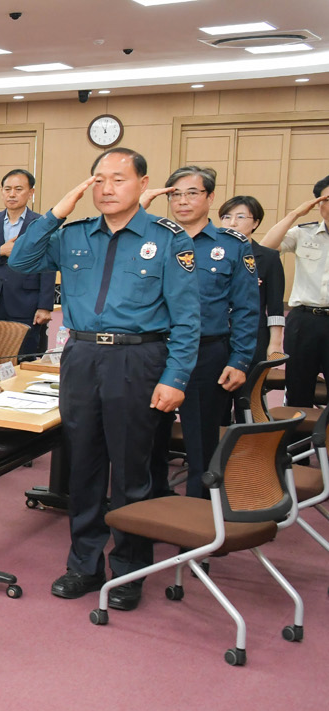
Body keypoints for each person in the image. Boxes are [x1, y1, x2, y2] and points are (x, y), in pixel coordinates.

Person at [9, 149, 199, 608]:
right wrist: (57, 210)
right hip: (81, 357)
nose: (108, 188)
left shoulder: (167, 238)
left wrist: (176, 377)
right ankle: (85, 564)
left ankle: (130, 569)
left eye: (119, 179)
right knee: (84, 466)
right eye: (99, 180)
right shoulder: (73, 234)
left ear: (142, 184)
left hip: (138, 359)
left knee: (133, 471)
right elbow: (21, 260)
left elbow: (188, 318)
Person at [139, 168, 258, 500]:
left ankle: (200, 518)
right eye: (175, 194)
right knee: (147, 437)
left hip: (206, 354)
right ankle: (151, 506)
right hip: (154, 351)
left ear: (210, 197)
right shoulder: (152, 239)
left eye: (192, 193)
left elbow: (247, 308)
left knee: (202, 441)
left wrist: (240, 360)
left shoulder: (232, 245)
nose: (182, 201)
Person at [259, 179, 329, 416]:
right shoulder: (303, 233)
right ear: (318, 204)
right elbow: (265, 249)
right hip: (304, 321)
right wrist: (295, 214)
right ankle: (298, 438)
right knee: (299, 388)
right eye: (328, 199)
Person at [0, 169, 57, 359]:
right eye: (7, 189)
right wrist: (0, 251)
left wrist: (45, 306)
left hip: (26, 302)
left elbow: (49, 266)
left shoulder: (40, 224)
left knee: (23, 357)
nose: (12, 194)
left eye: (18, 189)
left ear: (31, 192)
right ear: (1, 192)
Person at [218, 194, 286, 372]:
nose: (232, 223)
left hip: (253, 336)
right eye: (226, 217)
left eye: (240, 217)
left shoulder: (268, 257)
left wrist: (275, 344)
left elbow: (275, 306)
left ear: (255, 223)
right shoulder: (211, 255)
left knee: (247, 387)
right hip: (215, 338)